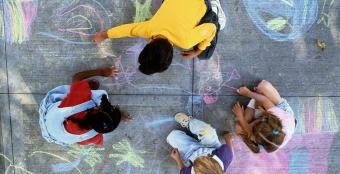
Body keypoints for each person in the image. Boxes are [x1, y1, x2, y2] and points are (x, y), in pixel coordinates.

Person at [92, 0, 226, 75]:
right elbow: (127, 30)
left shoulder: (186, 40)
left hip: (201, 2)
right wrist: (103, 35)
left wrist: (198, 50)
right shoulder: (149, 29)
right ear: (149, 43)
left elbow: (212, 28)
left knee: (205, 54)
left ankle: (215, 6)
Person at [39, 66, 131, 146]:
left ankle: (83, 87)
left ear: (96, 109)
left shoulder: (77, 104)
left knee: (95, 96)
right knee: (93, 96)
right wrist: (118, 117)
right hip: (54, 134)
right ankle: (82, 87)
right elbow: (82, 142)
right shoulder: (93, 135)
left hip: (51, 116)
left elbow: (77, 77)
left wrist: (102, 72)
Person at [167, 113, 233, 174]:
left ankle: (189, 137)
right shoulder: (225, 157)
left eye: (197, 162)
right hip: (211, 146)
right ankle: (189, 123)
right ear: (212, 158)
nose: (200, 157)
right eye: (205, 158)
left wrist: (177, 159)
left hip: (191, 154)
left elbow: (183, 170)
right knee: (207, 131)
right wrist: (228, 139)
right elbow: (229, 149)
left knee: (171, 137)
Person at [232, 80, 296, 153]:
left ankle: (256, 99)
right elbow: (264, 100)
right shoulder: (279, 117)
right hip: (281, 111)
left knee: (239, 128)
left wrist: (241, 118)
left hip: (267, 118)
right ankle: (258, 98)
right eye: (255, 124)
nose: (253, 125)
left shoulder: (264, 142)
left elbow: (249, 133)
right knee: (263, 86)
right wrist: (248, 93)